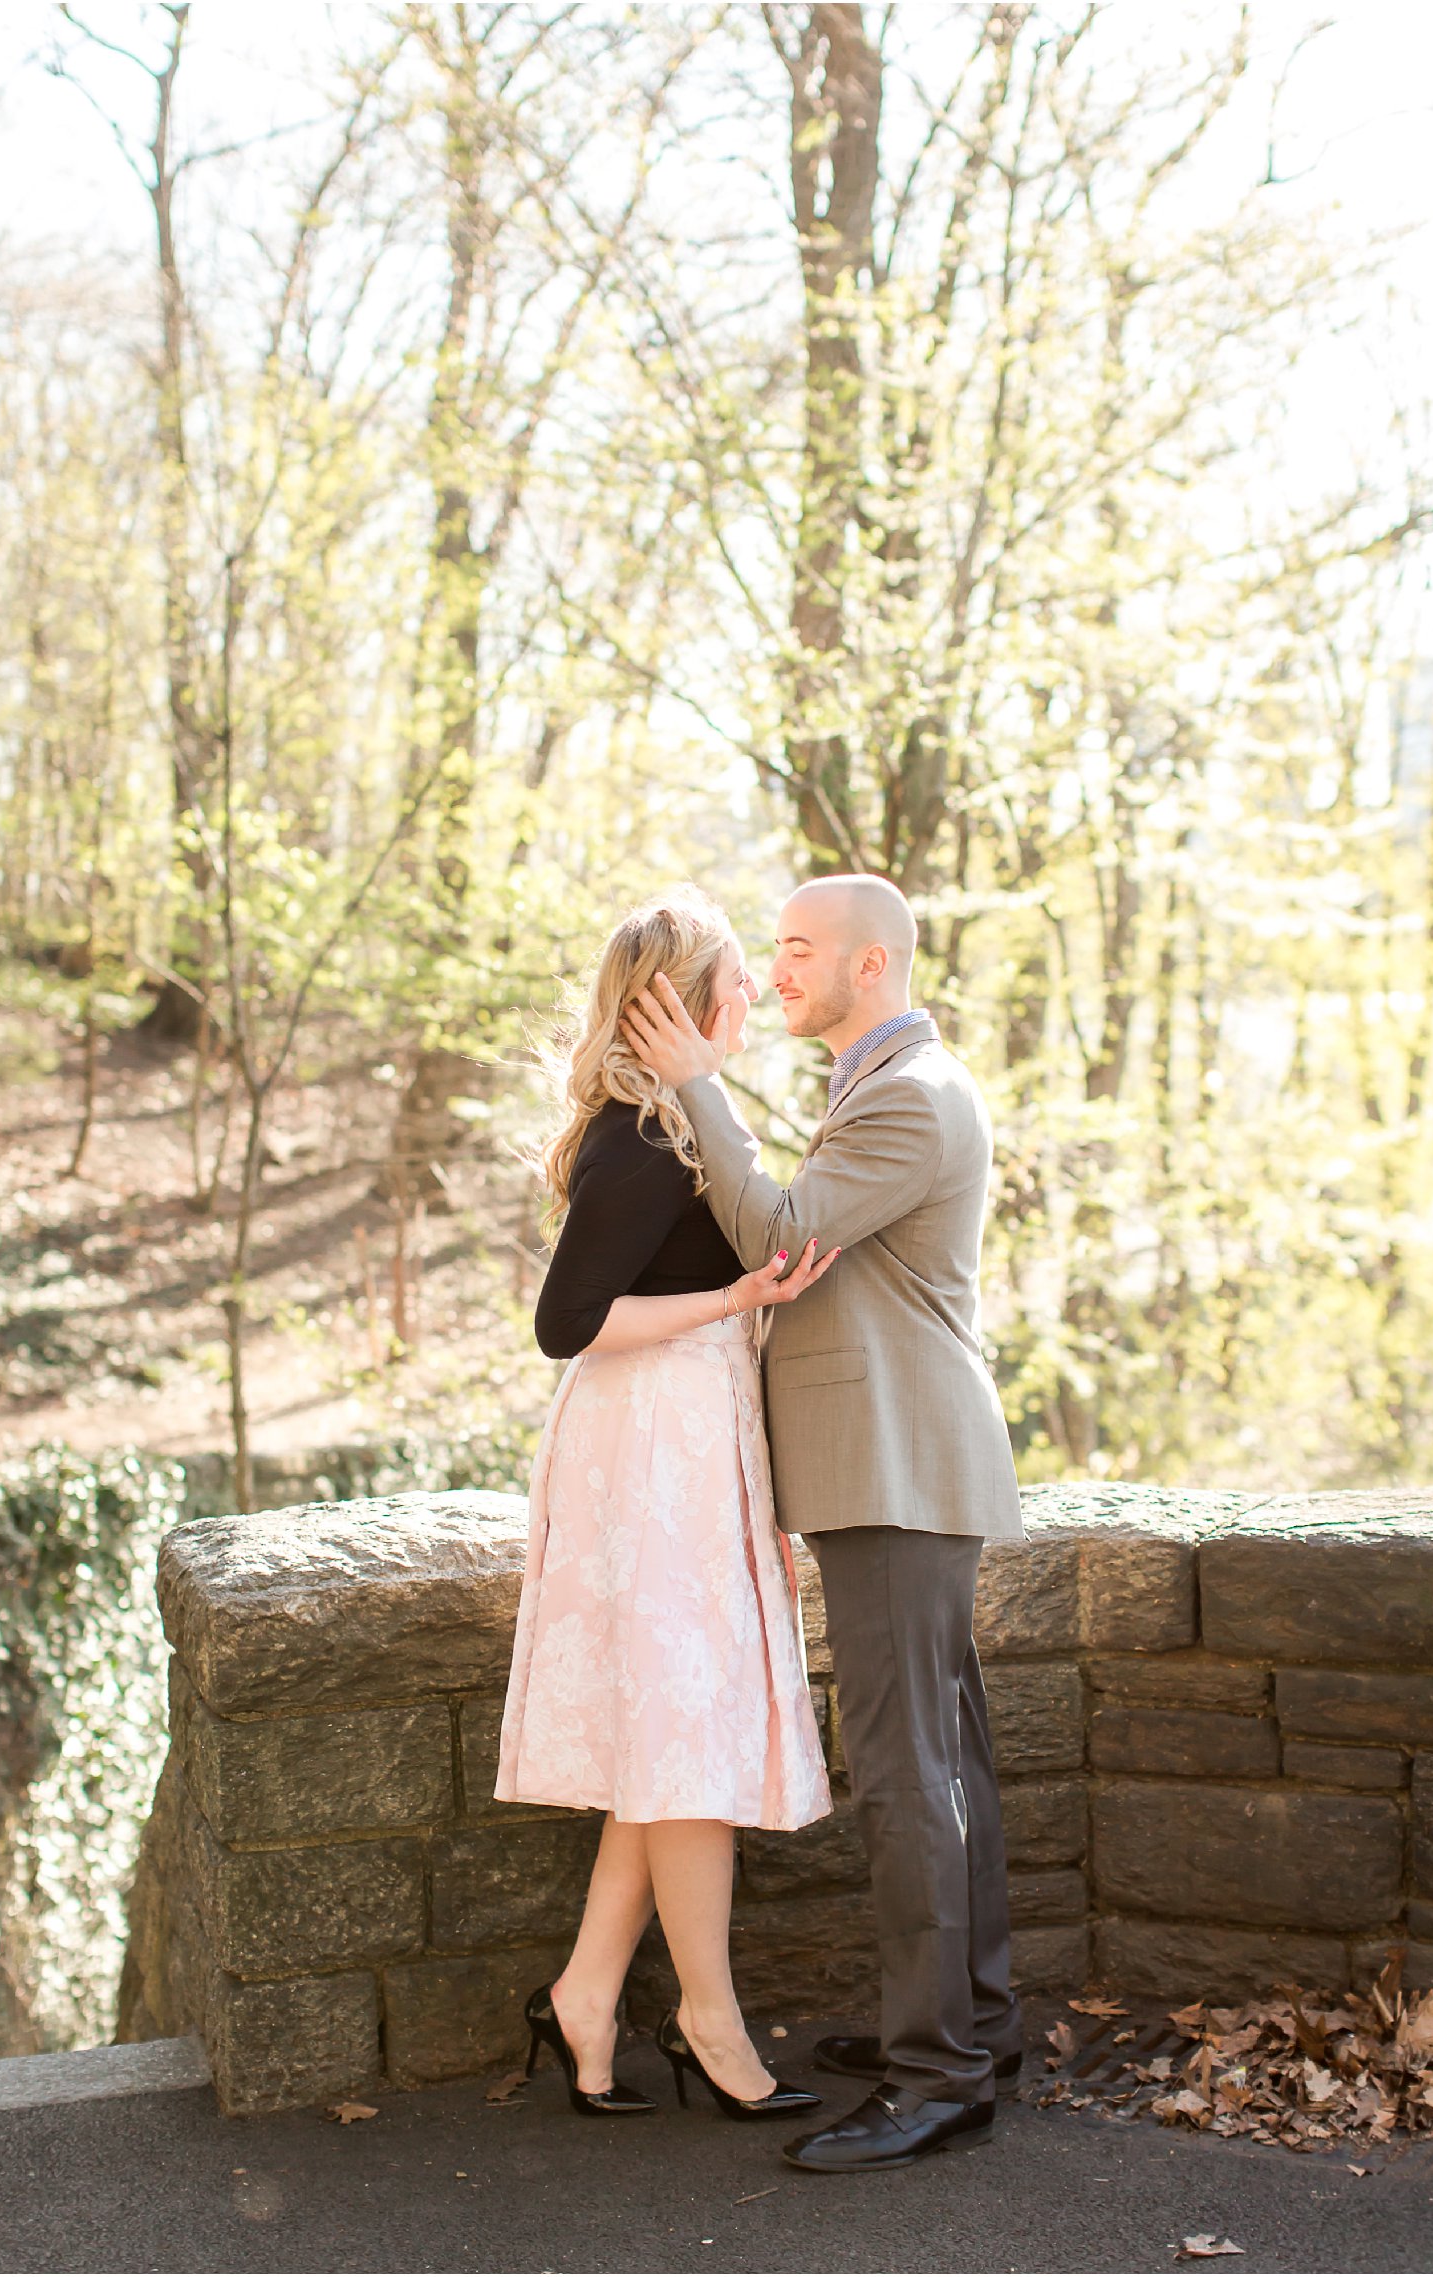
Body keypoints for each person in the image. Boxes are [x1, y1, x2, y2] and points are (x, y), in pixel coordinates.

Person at [623, 872, 1026, 2175]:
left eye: (798, 950)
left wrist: (696, 1082)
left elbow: (786, 1237)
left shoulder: (911, 1096)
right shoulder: (882, 1085)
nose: (777, 971)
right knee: (941, 1760)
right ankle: (973, 2025)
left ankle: (941, 2074)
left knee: (910, 1777)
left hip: (899, 1477)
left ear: (872, 966)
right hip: (888, 1473)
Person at [495, 888, 835, 2123]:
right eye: (738, 979)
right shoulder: (643, 1139)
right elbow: (564, 1327)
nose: (754, 997)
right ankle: (708, 2016)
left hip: (686, 1438)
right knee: (686, 1746)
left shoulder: (671, 1120)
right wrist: (735, 1300)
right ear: (683, 1003)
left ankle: (588, 1991)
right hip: (649, 1452)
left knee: (669, 1735)